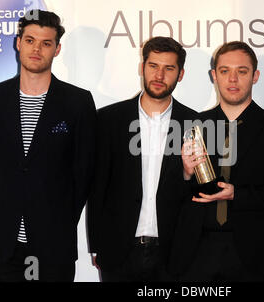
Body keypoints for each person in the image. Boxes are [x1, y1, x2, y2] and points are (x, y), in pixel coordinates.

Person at [0, 10, 96, 282]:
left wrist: (59, 220)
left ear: (57, 49)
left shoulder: (77, 102)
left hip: (54, 244)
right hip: (4, 243)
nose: (36, 49)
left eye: (45, 43)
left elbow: (84, 173)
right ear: (18, 43)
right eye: (30, 40)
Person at [169, 41, 264, 281]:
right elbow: (171, 194)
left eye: (241, 71)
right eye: (224, 71)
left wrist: (236, 194)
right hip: (196, 253)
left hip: (256, 254)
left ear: (255, 76)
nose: (232, 79)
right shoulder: (191, 125)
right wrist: (186, 174)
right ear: (214, 76)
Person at [87, 36, 197, 281]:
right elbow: (97, 186)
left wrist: (187, 174)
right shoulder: (109, 120)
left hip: (173, 254)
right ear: (142, 67)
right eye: (153, 66)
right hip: (118, 250)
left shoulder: (195, 123)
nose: (159, 75)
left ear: (180, 74)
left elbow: (201, 195)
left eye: (169, 68)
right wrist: (96, 244)